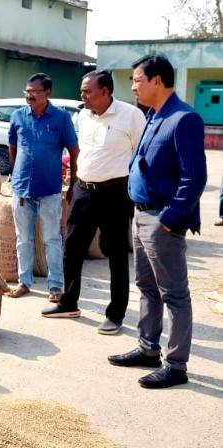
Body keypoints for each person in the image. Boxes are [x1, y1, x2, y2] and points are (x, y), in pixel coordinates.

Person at [108, 54, 207, 389]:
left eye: (137, 79)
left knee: (174, 294)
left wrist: (169, 220)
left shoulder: (184, 118)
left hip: (161, 220)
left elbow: (194, 178)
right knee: (147, 288)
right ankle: (148, 348)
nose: (133, 85)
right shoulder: (152, 116)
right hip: (141, 214)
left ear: (157, 81)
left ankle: (176, 365)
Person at [41, 70, 146, 335]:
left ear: (105, 91)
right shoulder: (83, 115)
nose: (82, 95)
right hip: (84, 191)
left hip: (115, 193)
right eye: (82, 90)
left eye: (87, 91)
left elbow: (141, 155)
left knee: (116, 254)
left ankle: (116, 313)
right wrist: (74, 185)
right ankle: (69, 302)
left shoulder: (131, 115)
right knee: (72, 248)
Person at [7, 73, 79, 302]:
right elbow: (13, 149)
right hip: (22, 189)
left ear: (47, 93)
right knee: (23, 238)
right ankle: (24, 282)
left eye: (34, 91)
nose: (29, 95)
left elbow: (74, 151)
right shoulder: (18, 116)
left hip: (49, 189)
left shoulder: (60, 118)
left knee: (52, 239)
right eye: (26, 91)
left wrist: (74, 182)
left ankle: (55, 285)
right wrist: (16, 174)